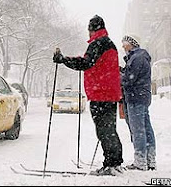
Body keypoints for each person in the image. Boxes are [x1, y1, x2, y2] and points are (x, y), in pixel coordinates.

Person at [53, 15, 124, 176]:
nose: (88, 33)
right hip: (109, 93)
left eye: (89, 29)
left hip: (101, 94)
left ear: (92, 30)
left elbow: (86, 63)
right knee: (110, 129)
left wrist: (63, 60)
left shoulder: (98, 43)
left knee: (104, 131)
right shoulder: (108, 43)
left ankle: (111, 164)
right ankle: (115, 162)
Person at [121, 34, 156, 171]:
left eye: (124, 43)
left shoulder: (137, 57)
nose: (123, 46)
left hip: (135, 97)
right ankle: (150, 160)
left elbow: (129, 79)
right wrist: (122, 71)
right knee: (146, 128)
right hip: (142, 96)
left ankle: (140, 161)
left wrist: (117, 76)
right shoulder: (140, 57)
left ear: (131, 43)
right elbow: (131, 74)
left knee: (138, 130)